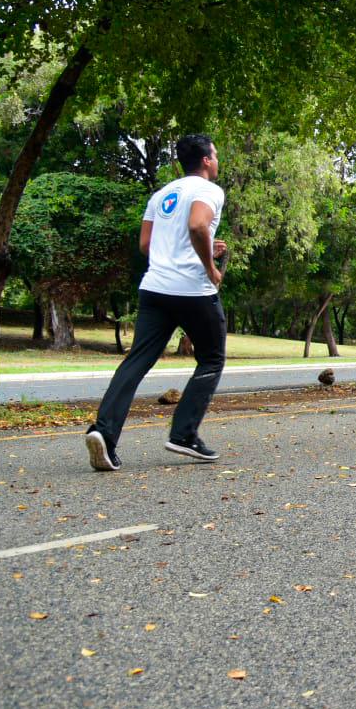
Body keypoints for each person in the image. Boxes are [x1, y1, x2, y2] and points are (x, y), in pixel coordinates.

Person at [85, 135, 227, 471]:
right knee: (211, 358)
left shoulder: (162, 194)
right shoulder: (208, 190)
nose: (218, 160)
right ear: (206, 160)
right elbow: (197, 224)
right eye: (216, 155)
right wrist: (210, 268)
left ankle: (104, 432)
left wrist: (201, 247)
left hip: (154, 289)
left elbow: (147, 245)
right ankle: (184, 434)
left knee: (137, 361)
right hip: (192, 291)